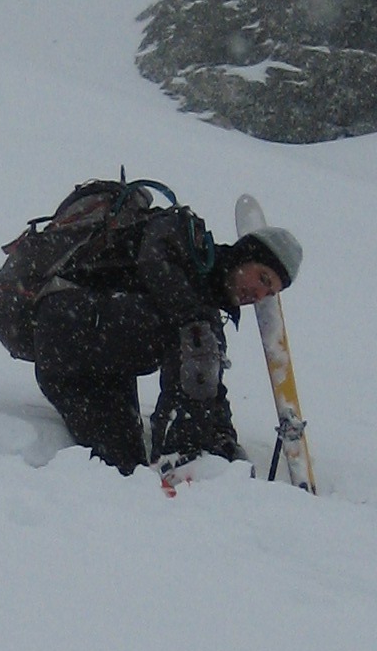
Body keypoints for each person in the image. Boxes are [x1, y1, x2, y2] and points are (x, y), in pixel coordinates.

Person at [31, 197, 303, 476]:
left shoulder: (203, 310)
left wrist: (225, 441)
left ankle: (180, 462)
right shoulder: (185, 235)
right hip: (66, 320)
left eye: (268, 294)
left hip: (77, 372)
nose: (259, 295)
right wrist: (194, 318)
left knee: (125, 471)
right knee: (197, 335)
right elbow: (154, 258)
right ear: (245, 256)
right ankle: (184, 453)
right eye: (263, 279)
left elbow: (207, 384)